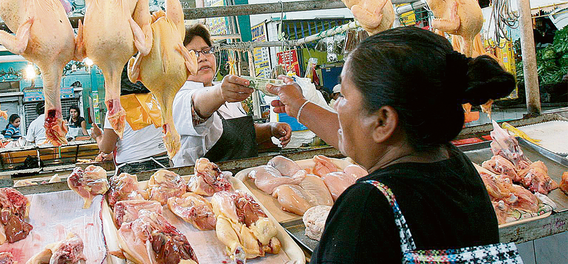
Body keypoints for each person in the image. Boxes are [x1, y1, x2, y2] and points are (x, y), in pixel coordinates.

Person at [268, 27, 519, 263]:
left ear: (384, 121)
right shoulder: (456, 166)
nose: (336, 106)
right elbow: (356, 137)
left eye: (342, 96)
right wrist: (300, 107)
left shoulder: (369, 206)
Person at [171, 24, 292, 167]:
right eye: (192, 53)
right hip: (203, 184)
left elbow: (238, 136)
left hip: (240, 180)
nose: (202, 58)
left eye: (206, 51)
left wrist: (270, 129)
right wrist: (221, 93)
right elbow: (197, 104)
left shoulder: (224, 91)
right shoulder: (178, 98)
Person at [91, 67, 168, 174]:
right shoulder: (152, 101)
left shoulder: (116, 110)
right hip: (163, 161)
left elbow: (106, 148)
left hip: (133, 167)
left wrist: (98, 136)